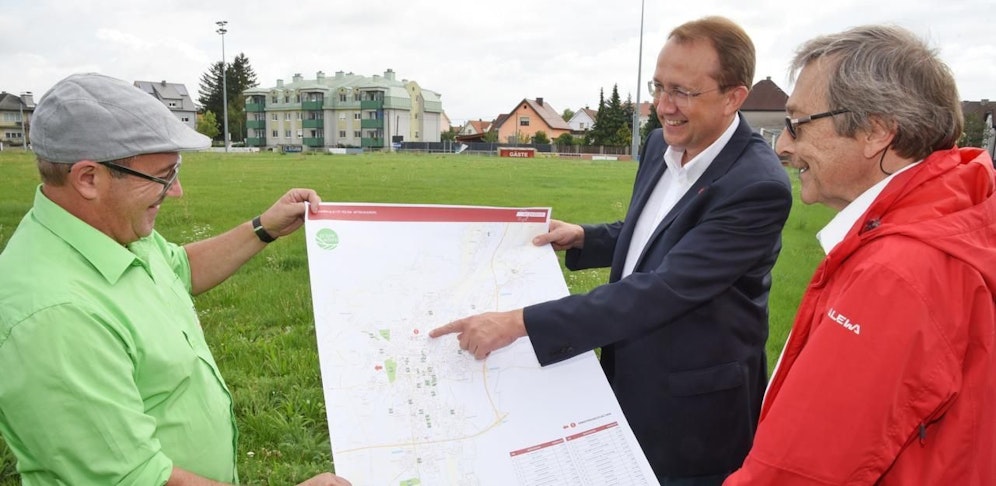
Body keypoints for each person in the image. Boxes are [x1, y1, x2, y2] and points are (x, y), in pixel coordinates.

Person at [430, 16, 792, 485]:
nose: (663, 107)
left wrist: (518, 322)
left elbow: (663, 288)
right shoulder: (663, 144)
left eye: (682, 91)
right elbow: (658, 232)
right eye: (658, 86)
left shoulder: (756, 186)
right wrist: (586, 236)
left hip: (694, 413)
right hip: (627, 377)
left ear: (734, 97)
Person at [0, 73, 350, 486]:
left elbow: (179, 268)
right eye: (164, 175)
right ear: (89, 179)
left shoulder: (111, 231)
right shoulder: (52, 317)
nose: (177, 190)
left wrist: (264, 227)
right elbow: (136, 478)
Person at [723, 25, 996, 485]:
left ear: (875, 132)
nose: (785, 145)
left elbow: (797, 472)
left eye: (798, 123)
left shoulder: (896, 274)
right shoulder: (956, 215)